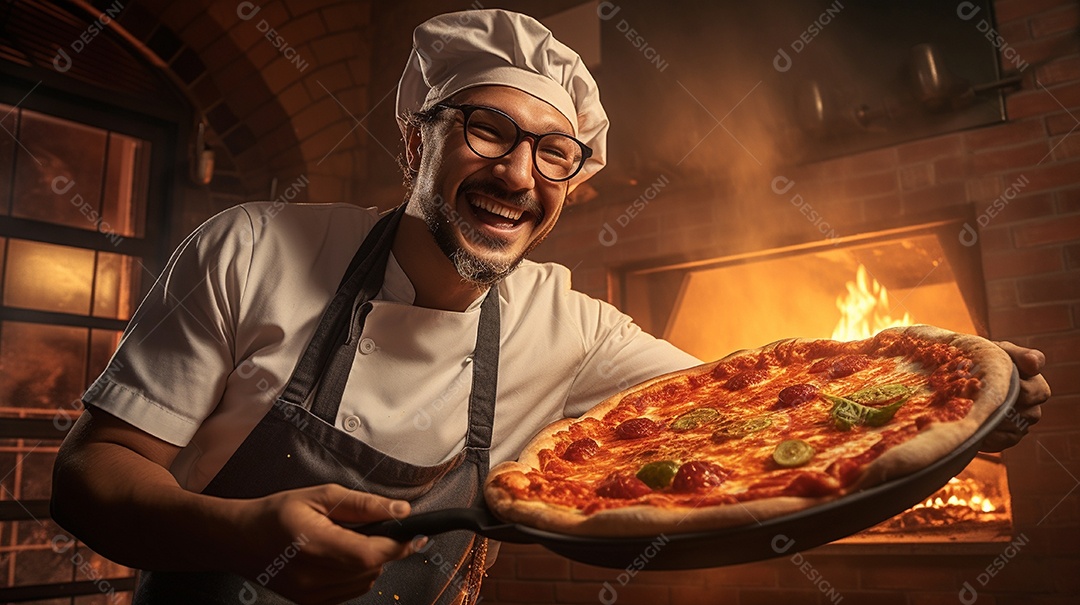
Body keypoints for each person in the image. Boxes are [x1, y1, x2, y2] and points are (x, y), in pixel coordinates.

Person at [51, 8, 1050, 605]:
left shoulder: (573, 324)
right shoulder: (250, 248)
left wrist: (923, 395)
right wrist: (241, 532)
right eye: (486, 130)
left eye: (554, 151)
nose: (517, 172)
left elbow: (756, 412)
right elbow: (90, 475)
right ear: (414, 143)